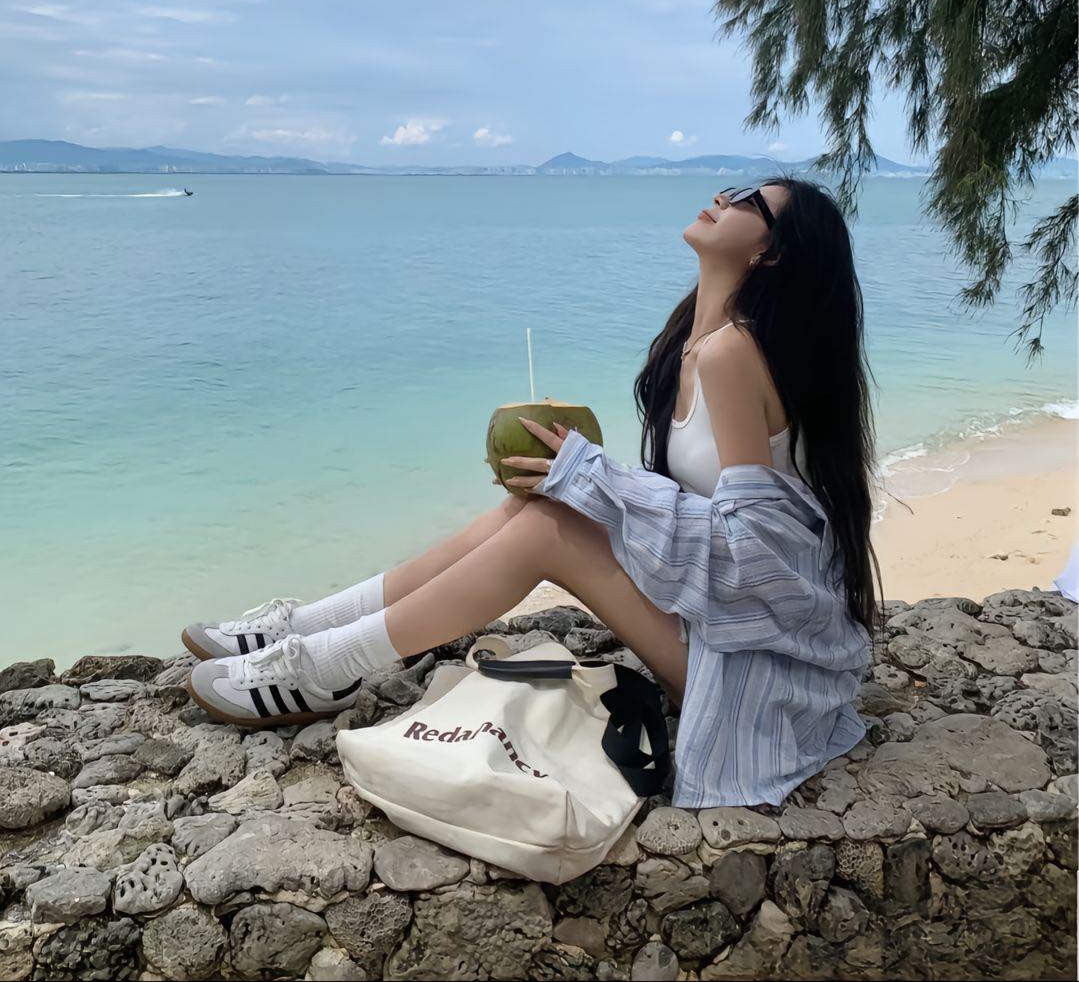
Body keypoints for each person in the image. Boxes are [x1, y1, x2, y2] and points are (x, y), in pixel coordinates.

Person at [182, 176, 881, 809]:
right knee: (535, 505)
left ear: (770, 254)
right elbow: (690, 514)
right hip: (716, 636)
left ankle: (328, 667)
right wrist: (580, 481)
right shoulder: (691, 344)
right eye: (734, 188)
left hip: (751, 673)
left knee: (546, 529)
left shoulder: (733, 354)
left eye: (750, 203)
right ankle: (306, 628)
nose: (724, 197)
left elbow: (751, 555)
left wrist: (593, 477)